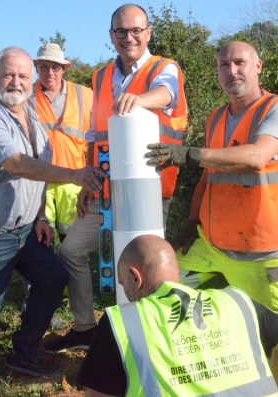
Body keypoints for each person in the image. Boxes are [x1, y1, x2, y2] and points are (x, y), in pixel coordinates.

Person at [0, 47, 106, 396]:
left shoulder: (29, 116)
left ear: (30, 81)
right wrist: (75, 175)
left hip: (22, 229)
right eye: (8, 75)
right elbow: (17, 164)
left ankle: (24, 352)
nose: (15, 81)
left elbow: (38, 171)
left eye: (22, 76)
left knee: (53, 277)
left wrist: (40, 216)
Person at [44, 3, 188, 354]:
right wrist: (86, 181)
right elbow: (97, 134)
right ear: (111, 36)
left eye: (136, 30)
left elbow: (167, 94)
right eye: (121, 32)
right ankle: (85, 328)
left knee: (149, 270)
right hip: (105, 191)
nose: (129, 37)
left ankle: (152, 343)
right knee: (70, 251)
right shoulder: (100, 77)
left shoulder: (164, 68)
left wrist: (139, 100)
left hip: (150, 194)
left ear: (148, 33)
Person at [145, 41, 278, 320]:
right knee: (159, 289)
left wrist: (189, 154)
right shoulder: (217, 116)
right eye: (224, 65)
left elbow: (257, 156)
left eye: (240, 63)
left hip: (259, 251)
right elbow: (210, 176)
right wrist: (193, 222)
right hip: (211, 243)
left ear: (258, 67)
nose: (232, 71)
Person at [76, 235, 278, 397]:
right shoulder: (236, 303)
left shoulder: (124, 323)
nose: (125, 294)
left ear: (135, 277)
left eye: (123, 284)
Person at [28, 42, 92, 240]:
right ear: (36, 67)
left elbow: (96, 142)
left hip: (73, 181)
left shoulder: (86, 95)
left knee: (71, 245)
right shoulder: (24, 97)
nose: (50, 73)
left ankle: (70, 273)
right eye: (44, 67)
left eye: (55, 67)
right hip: (37, 181)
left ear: (64, 68)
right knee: (40, 244)